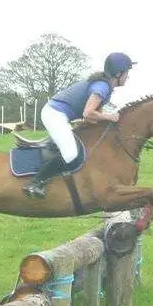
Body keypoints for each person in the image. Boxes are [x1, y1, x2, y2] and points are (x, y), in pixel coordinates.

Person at [22, 52, 136, 199]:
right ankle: (35, 183)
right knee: (70, 154)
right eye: (127, 73)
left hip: (59, 115)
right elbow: (88, 114)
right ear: (118, 73)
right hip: (54, 114)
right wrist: (110, 117)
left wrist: (109, 121)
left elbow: (94, 117)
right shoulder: (102, 87)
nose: (127, 77)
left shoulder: (105, 87)